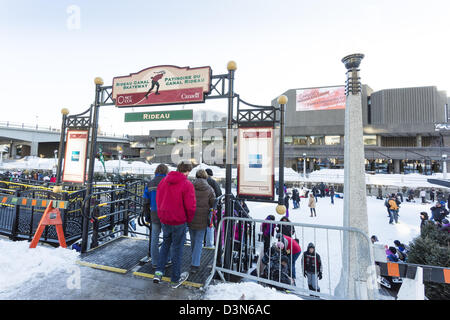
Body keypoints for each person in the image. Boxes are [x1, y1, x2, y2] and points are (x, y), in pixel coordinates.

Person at [153, 161, 196, 288]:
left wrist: (161, 215)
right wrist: (189, 219)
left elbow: (158, 199)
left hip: (165, 219)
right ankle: (174, 279)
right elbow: (191, 206)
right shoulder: (187, 184)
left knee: (165, 245)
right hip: (179, 221)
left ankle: (159, 273)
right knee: (177, 249)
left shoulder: (164, 181)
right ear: (187, 171)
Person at [188, 169, 215, 274]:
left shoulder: (190, 186)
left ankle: (193, 258)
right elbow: (213, 202)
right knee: (199, 241)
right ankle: (195, 264)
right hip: (202, 218)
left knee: (193, 240)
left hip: (191, 217)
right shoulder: (209, 188)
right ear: (205, 177)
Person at [143, 164, 169, 268]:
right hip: (166, 213)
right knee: (167, 238)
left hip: (154, 213)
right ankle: (166, 260)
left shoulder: (150, 183)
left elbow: (145, 201)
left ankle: (154, 261)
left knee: (154, 238)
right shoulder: (168, 182)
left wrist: (146, 214)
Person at [205, 168, 222, 247]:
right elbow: (219, 194)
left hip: (200, 207)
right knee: (210, 225)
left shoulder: (199, 182)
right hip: (211, 207)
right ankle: (209, 244)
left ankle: (203, 242)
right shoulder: (214, 182)